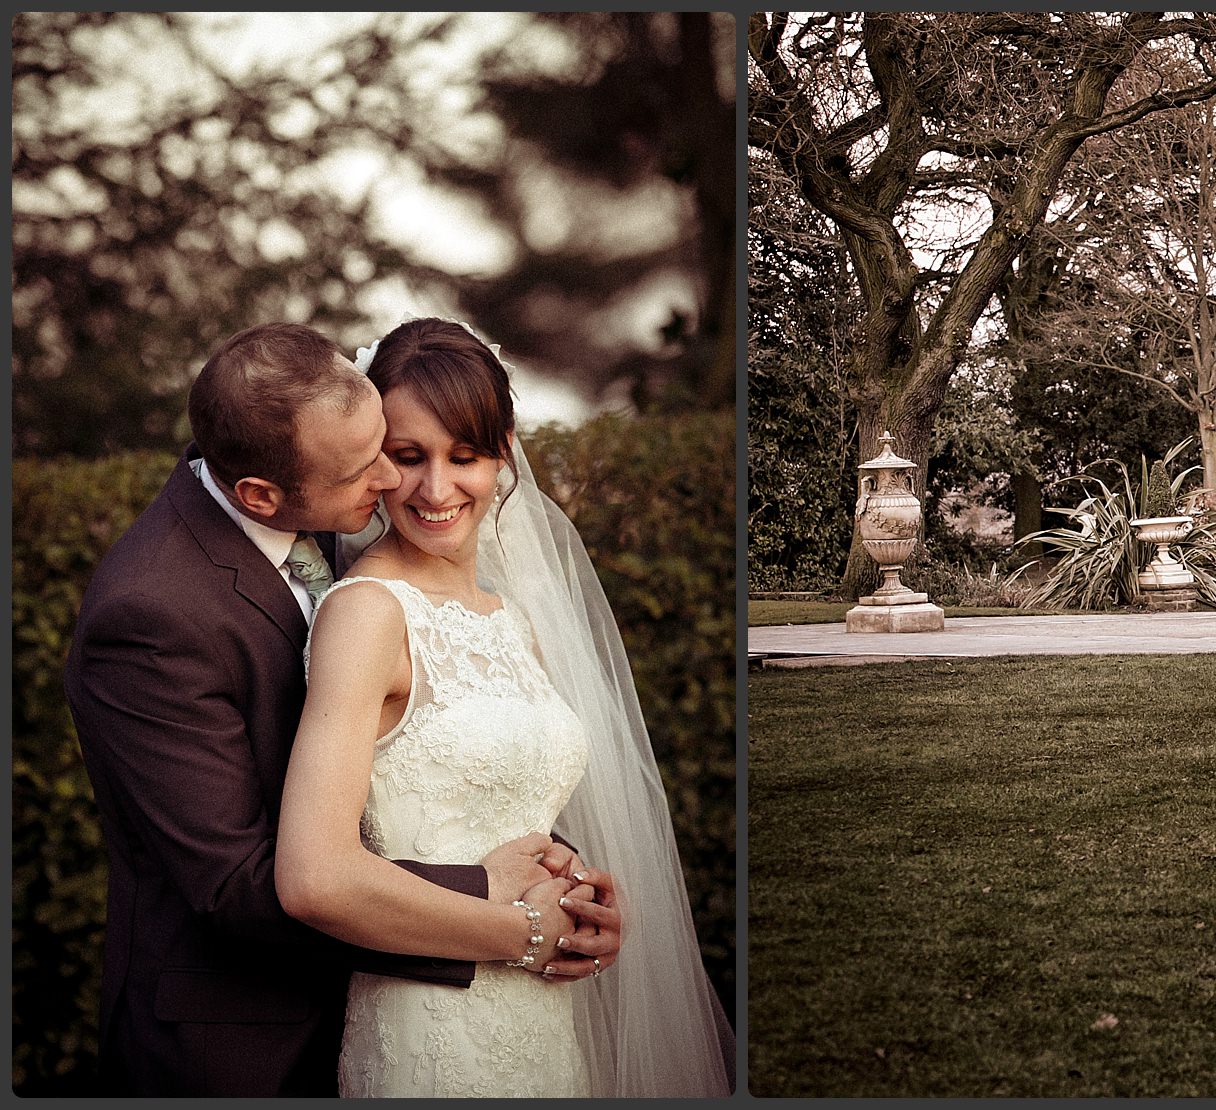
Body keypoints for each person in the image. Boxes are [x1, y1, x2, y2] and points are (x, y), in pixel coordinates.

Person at [62, 323, 598, 1096]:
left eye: (391, 446)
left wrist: (560, 880)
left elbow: (423, 749)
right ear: (260, 494)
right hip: (244, 1050)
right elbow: (241, 887)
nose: (394, 481)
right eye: (376, 464)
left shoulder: (316, 492)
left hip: (413, 1008)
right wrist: (508, 920)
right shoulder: (149, 615)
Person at [277, 318, 733, 1096]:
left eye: (466, 456)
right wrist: (524, 933)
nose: (436, 489)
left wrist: (582, 902)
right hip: (431, 1031)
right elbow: (315, 879)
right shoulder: (367, 614)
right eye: (409, 456)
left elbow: (506, 801)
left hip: (545, 1023)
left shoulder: (513, 616)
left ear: (504, 450)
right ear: (374, 454)